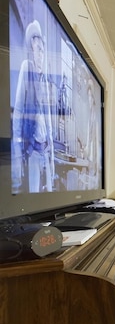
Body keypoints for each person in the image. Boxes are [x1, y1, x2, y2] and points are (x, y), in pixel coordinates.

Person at [11, 19, 55, 193]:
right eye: (37, 50)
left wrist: (51, 151)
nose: (40, 55)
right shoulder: (26, 68)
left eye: (42, 51)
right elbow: (19, 111)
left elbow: (49, 117)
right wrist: (16, 154)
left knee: (50, 193)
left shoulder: (45, 78)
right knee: (34, 192)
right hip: (33, 150)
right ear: (31, 50)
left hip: (46, 149)